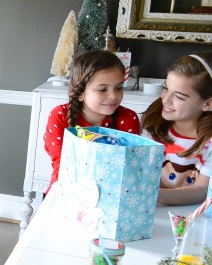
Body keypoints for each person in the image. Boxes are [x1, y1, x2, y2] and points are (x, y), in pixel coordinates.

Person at [43, 50, 141, 193]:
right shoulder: (60, 115)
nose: (113, 96)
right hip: (65, 191)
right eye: (102, 89)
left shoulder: (128, 118)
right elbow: (62, 165)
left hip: (112, 196)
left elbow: (128, 167)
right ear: (81, 93)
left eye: (119, 88)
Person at [142, 52, 212, 206]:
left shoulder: (209, 143)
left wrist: (153, 195)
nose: (165, 99)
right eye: (166, 88)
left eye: (179, 96)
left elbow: (201, 190)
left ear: (208, 104)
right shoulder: (153, 124)